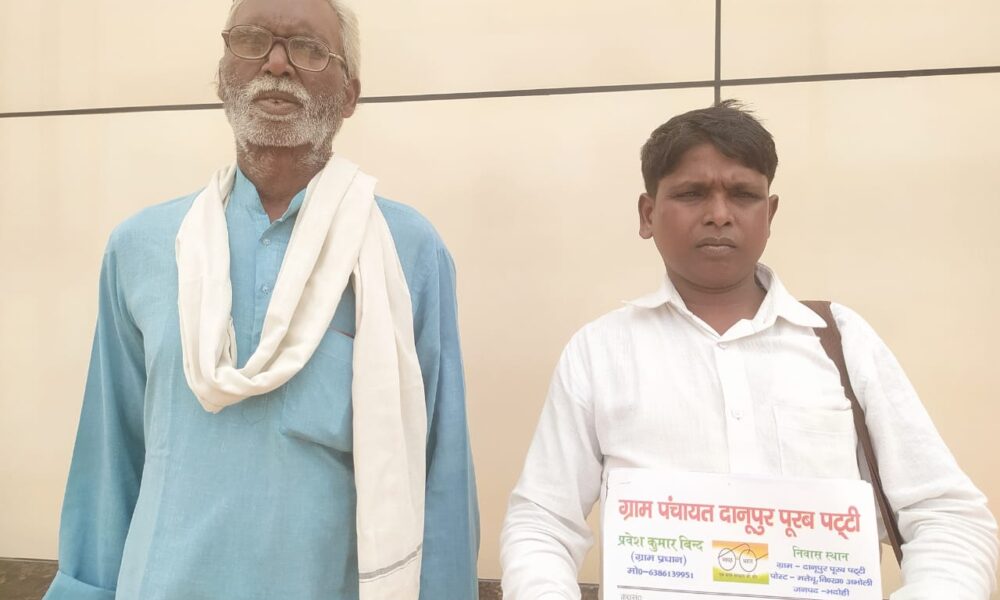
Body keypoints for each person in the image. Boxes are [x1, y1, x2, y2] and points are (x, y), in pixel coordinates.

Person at [44, 0, 479, 599]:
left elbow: (440, 468)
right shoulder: (142, 247)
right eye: (251, 41)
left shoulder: (406, 253)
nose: (276, 63)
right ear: (223, 74)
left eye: (308, 48)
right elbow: (109, 457)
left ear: (349, 96)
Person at [499, 100, 998, 599]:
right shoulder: (600, 353)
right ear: (648, 214)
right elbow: (542, 524)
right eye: (692, 194)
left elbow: (946, 516)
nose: (719, 215)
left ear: (770, 213)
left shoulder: (841, 341)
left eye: (743, 195)